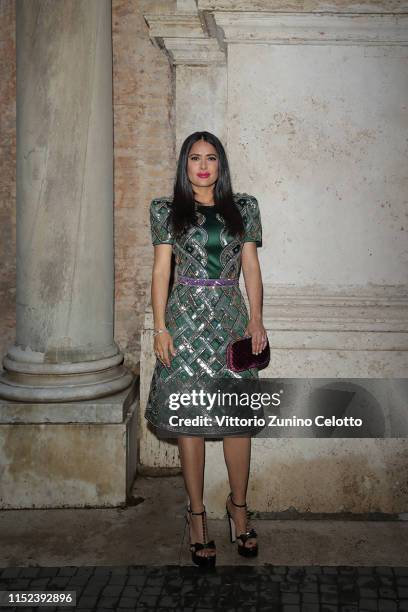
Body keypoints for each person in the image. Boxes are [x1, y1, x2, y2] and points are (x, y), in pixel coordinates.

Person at [145, 131, 268, 567]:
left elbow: (250, 266)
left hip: (232, 320)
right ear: (185, 165)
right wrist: (160, 328)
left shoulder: (245, 207)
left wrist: (256, 317)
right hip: (185, 323)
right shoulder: (166, 210)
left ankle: (239, 511)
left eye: (211, 157)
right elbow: (162, 272)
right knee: (190, 418)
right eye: (194, 158)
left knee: (236, 419)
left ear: (221, 164)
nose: (202, 165)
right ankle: (197, 518)